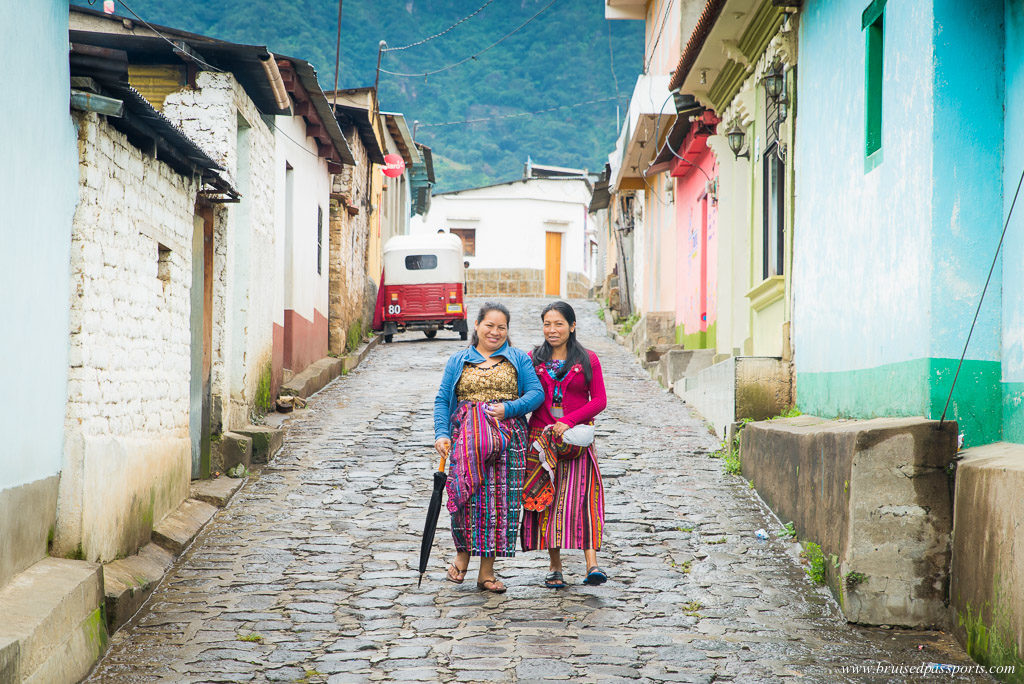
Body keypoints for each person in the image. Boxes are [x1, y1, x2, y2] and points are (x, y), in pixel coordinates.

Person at [434, 302, 544, 593]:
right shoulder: (459, 360)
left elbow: (536, 394)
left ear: (508, 330)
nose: (495, 332)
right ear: (477, 326)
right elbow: (443, 399)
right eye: (489, 326)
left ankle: (487, 572)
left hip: (509, 442)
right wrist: (441, 434)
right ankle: (462, 557)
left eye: (501, 327)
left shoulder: (518, 358)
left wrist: (509, 409)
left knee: (500, 504)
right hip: (466, 441)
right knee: (466, 498)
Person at [522, 301, 608, 588]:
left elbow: (599, 401)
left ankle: (592, 564)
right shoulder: (532, 360)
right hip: (541, 440)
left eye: (559, 323)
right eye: (547, 323)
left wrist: (569, 422)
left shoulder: (587, 360)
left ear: (572, 326)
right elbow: (523, 394)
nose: (552, 329)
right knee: (548, 500)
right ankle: (555, 566)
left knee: (584, 500)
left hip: (576, 441)